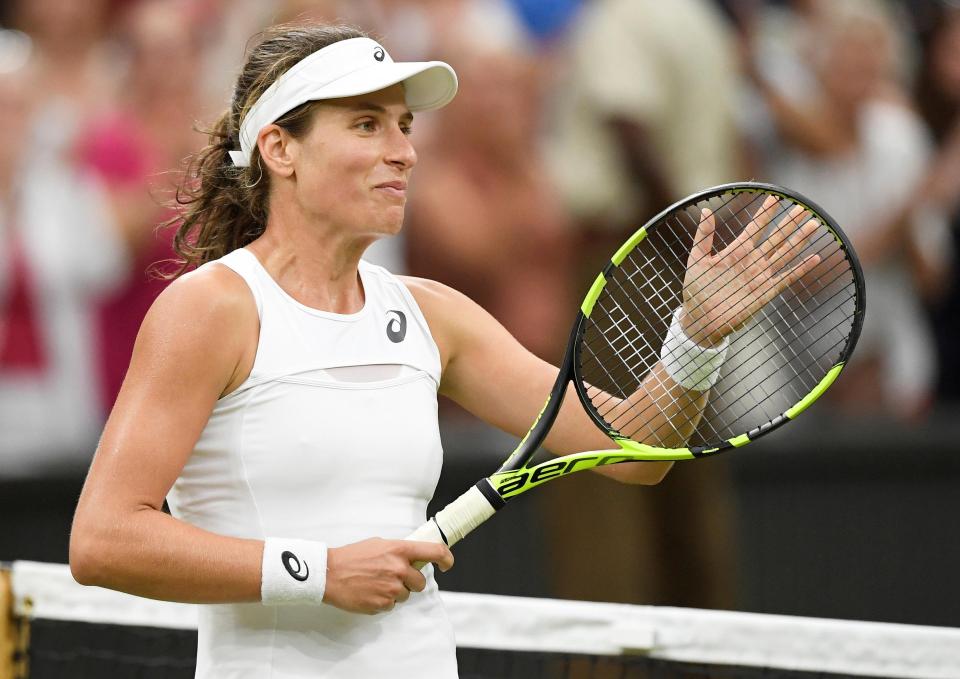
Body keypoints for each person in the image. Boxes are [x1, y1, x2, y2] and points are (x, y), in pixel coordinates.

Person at [68, 23, 815, 678]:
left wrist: (696, 336)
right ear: (280, 149)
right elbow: (104, 537)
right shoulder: (210, 310)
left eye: (404, 126)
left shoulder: (431, 314)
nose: (403, 153)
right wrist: (317, 572)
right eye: (367, 125)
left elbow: (631, 449)